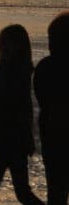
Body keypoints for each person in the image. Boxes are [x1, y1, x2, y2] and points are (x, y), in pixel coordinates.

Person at [0, 24, 44, 205]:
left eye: (3, 43)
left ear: (14, 46)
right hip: (10, 140)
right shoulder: (12, 70)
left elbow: (15, 109)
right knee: (20, 192)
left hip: (8, 140)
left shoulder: (14, 73)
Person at [34, 12, 69, 205]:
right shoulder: (46, 67)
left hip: (53, 140)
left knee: (56, 193)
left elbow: (42, 101)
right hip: (53, 138)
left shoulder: (45, 67)